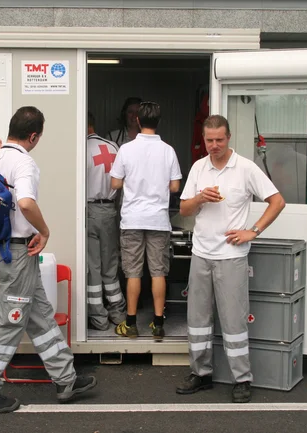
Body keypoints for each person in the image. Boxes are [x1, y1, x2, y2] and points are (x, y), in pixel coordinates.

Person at [0, 106, 97, 414]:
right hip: (19, 251)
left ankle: (66, 379)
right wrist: (44, 230)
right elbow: (25, 203)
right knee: (9, 321)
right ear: (34, 136)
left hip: (0, 249)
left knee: (40, 314)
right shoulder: (24, 163)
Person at [177, 114, 285, 403]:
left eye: (219, 140)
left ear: (229, 137)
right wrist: (200, 198)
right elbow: (184, 210)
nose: (214, 145)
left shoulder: (246, 169)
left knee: (234, 320)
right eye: (209, 140)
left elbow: (277, 201)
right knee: (197, 319)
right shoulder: (199, 168)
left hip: (231, 256)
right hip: (201, 253)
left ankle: (241, 379)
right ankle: (200, 374)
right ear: (204, 139)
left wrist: (253, 231)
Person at [110, 101, 182, 340]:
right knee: (158, 272)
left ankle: (130, 324)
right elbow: (174, 186)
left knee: (133, 273)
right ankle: (158, 323)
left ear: (138, 121)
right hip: (159, 220)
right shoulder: (168, 150)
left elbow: (115, 183)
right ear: (158, 122)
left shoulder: (126, 149)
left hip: (132, 219)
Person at [86, 111, 127, 330]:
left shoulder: (81, 149)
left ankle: (98, 318)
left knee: (93, 265)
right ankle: (117, 312)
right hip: (111, 210)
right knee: (111, 263)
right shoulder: (113, 147)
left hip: (89, 210)